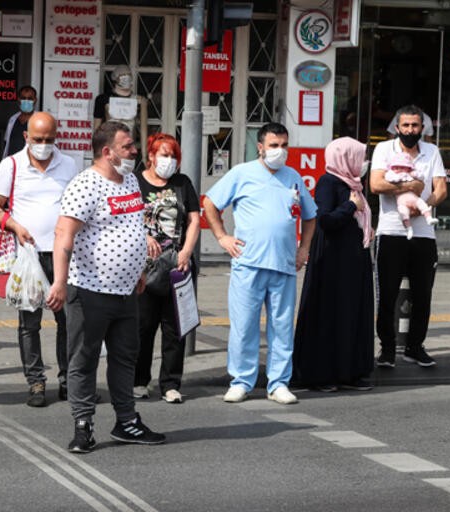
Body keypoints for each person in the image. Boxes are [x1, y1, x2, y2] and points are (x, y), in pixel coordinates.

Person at [47, 121, 166, 454]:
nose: (134, 151)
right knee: (83, 360)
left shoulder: (129, 180)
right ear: (106, 151)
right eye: (127, 146)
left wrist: (138, 268)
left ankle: (126, 422)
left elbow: (132, 225)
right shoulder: (85, 185)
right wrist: (59, 281)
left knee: (125, 358)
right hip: (88, 291)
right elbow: (63, 235)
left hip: (126, 291)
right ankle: (83, 426)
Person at [203, 122, 317, 405]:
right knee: (244, 326)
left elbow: (311, 215)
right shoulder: (242, 173)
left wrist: (304, 248)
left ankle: (278, 383)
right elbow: (210, 204)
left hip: (284, 264)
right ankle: (241, 380)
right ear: (261, 147)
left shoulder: (293, 177)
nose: (280, 151)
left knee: (282, 327)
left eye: (284, 145)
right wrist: (222, 237)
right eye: (274, 145)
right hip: (249, 263)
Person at [0, 112, 78, 408]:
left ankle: (68, 381)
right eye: (38, 139)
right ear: (26, 137)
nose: (43, 145)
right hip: (28, 255)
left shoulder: (69, 165)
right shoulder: (11, 164)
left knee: (68, 321)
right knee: (30, 322)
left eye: (49, 140)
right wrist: (15, 227)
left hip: (64, 254)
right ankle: (36, 382)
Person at [292, 137, 374, 392]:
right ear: (346, 158)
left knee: (351, 314)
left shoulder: (354, 184)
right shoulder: (328, 182)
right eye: (359, 157)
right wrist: (351, 206)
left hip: (352, 261)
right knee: (330, 314)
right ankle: (322, 373)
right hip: (332, 261)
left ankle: (349, 372)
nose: (364, 163)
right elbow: (324, 219)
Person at [370, 104, 447, 368]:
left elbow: (441, 189)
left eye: (415, 125)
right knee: (387, 294)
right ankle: (387, 349)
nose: (410, 130)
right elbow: (376, 184)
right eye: (405, 125)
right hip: (391, 231)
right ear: (397, 127)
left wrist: (423, 206)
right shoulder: (383, 149)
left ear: (422, 128)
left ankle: (415, 347)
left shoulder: (432, 151)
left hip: (424, 234)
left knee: (423, 294)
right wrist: (410, 187)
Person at [133, 133, 200, 404]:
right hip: (144, 268)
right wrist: (142, 236)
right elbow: (126, 217)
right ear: (150, 155)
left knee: (175, 327)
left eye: (173, 156)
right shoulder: (135, 181)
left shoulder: (182, 183)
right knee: (142, 326)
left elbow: (194, 219)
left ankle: (171, 383)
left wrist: (186, 251)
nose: (168, 161)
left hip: (177, 265)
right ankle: (139, 381)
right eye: (163, 154)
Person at [93, 66, 148, 161]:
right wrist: (96, 153)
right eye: (122, 75)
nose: (126, 77)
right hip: (109, 143)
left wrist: (144, 155)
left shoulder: (139, 100)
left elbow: (143, 129)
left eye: (128, 74)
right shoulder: (103, 99)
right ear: (115, 77)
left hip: (128, 143)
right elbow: (97, 128)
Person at [385, 151, 439, 240]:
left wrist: (414, 174)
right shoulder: (392, 175)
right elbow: (389, 178)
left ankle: (429, 218)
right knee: (404, 214)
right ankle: (409, 229)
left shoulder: (411, 174)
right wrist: (399, 177)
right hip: (402, 202)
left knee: (422, 204)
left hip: (414, 198)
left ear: (408, 168)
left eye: (402, 167)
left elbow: (421, 176)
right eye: (396, 167)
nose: (399, 169)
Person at [2, 85, 37, 158]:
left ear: (35, 100)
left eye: (30, 98)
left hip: (30, 164)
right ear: (18, 99)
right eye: (23, 98)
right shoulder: (12, 119)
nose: (26, 101)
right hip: (12, 164)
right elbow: (6, 143)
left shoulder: (41, 120)